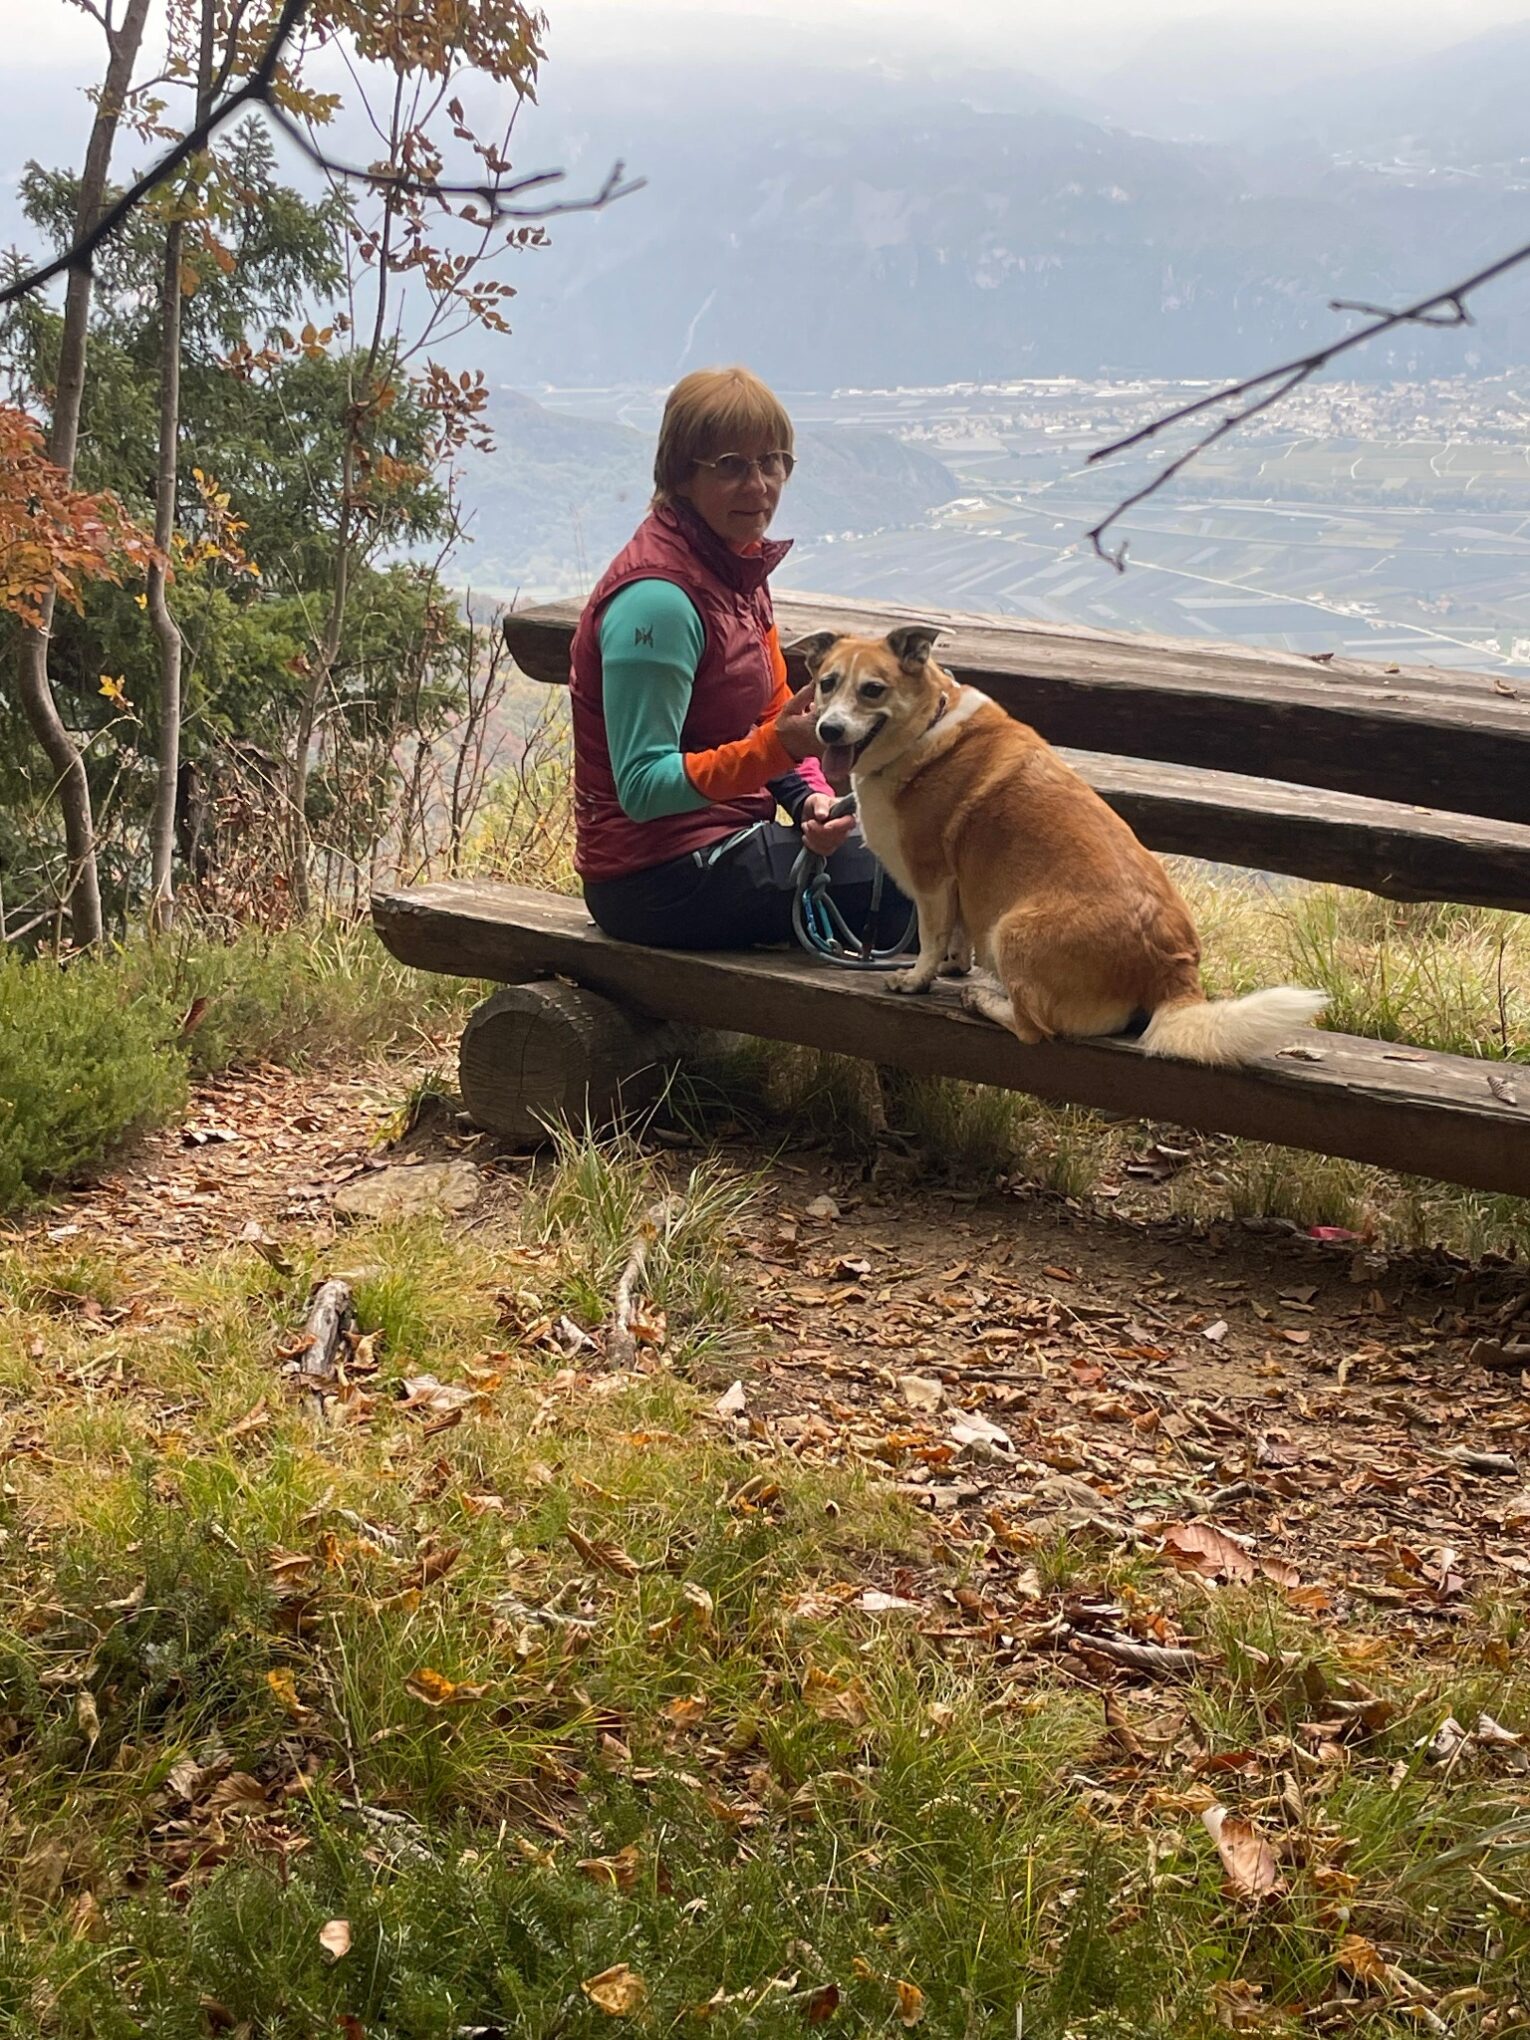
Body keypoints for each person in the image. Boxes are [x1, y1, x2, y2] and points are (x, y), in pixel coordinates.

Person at [568, 364, 909, 951]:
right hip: (656, 878)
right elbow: (643, 788)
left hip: (724, 845)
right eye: (731, 466)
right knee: (915, 872)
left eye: (772, 462)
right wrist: (780, 748)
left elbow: (774, 713)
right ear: (681, 474)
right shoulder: (659, 602)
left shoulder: (735, 565)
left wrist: (812, 800)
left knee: (923, 847)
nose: (759, 485)